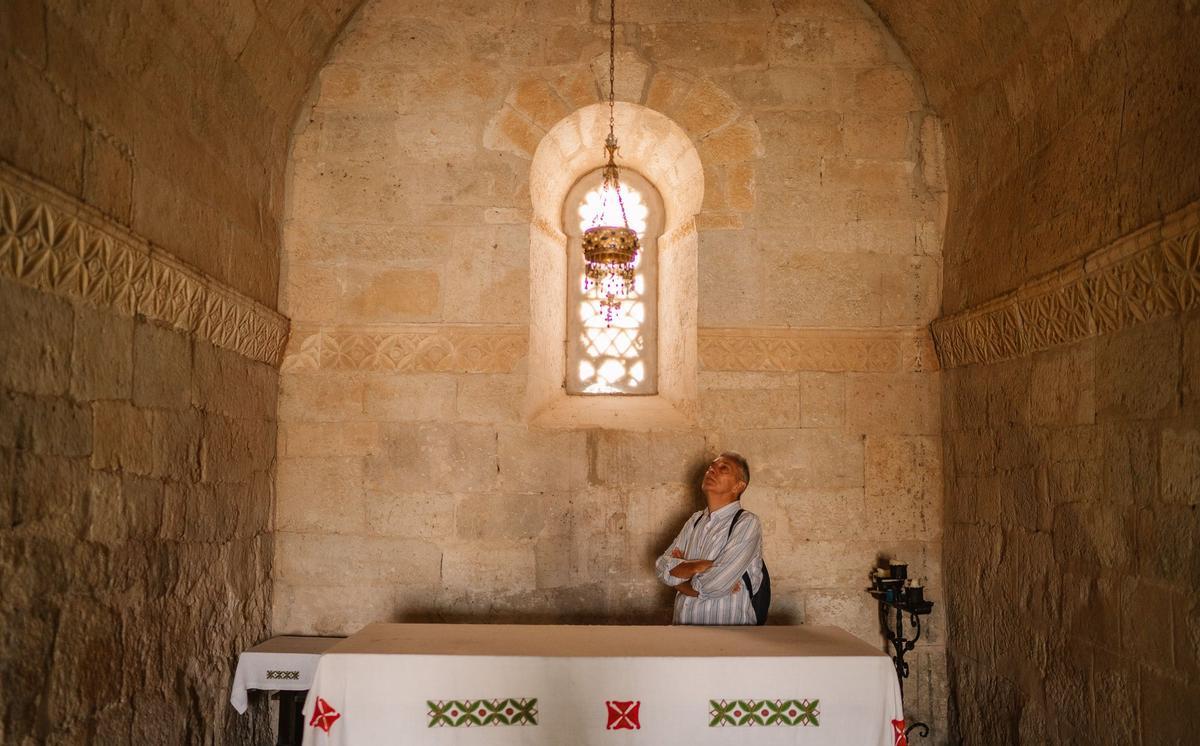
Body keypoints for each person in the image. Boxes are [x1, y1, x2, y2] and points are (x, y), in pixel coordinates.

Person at [655, 452, 764, 625]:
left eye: (723, 468)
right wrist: (701, 565)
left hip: (729, 636)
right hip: (684, 632)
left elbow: (716, 584)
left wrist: (680, 581)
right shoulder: (695, 520)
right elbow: (662, 568)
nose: (712, 470)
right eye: (711, 467)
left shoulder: (746, 523)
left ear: (738, 486)